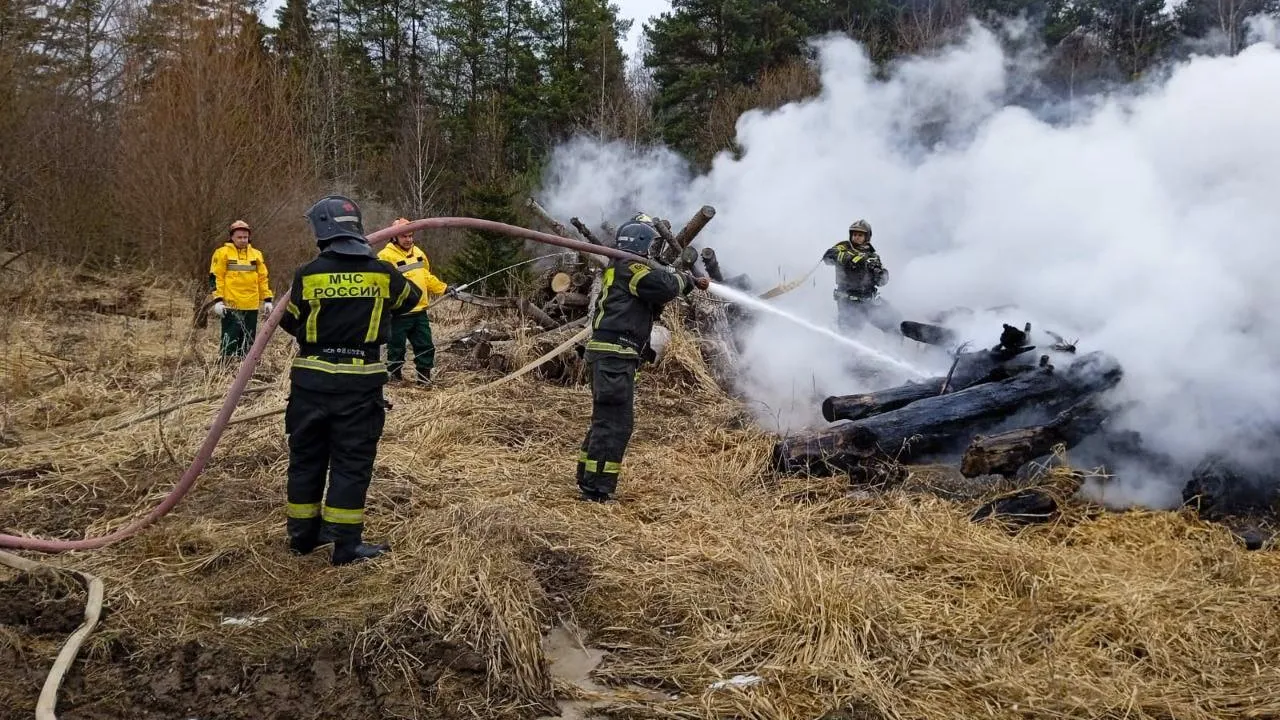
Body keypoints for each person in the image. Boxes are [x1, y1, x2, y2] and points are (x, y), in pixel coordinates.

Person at [279, 196, 423, 565]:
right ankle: (345, 545)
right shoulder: (382, 273)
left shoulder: (307, 274)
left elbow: (289, 320)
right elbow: (412, 298)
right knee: (351, 463)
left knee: (306, 459)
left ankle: (302, 537)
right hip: (359, 389)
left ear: (322, 230)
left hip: (310, 385)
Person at [576, 213, 709, 503]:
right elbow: (664, 287)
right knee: (615, 424)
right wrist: (682, 278)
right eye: (650, 246)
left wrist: (681, 280)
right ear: (641, 244)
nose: (651, 252)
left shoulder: (620, 267)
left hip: (611, 356)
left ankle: (588, 479)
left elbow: (653, 296)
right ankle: (597, 489)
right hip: (614, 357)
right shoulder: (630, 267)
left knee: (605, 420)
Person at [376, 217, 455, 385]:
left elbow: (426, 276)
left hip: (420, 312)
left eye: (410, 236)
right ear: (394, 237)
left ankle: (424, 379)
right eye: (404, 236)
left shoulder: (418, 253)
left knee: (425, 345)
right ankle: (395, 378)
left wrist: (444, 288)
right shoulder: (385, 256)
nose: (408, 239)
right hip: (398, 313)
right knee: (396, 347)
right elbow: (381, 284)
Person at [822, 218, 900, 335]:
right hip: (849, 303)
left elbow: (881, 282)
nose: (856, 237)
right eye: (854, 234)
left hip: (869, 302)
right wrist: (850, 259)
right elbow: (828, 257)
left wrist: (881, 274)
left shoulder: (872, 256)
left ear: (866, 237)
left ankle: (892, 345)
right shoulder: (844, 247)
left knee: (893, 322)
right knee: (849, 336)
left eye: (860, 235)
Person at [208, 220, 272, 361]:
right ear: (232, 237)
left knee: (248, 341)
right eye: (239, 237)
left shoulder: (256, 254)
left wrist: (267, 299)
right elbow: (216, 277)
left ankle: (246, 367)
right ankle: (226, 367)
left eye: (245, 237)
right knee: (230, 339)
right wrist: (218, 300)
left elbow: (263, 278)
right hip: (231, 305)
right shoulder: (222, 253)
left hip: (251, 305)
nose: (243, 240)